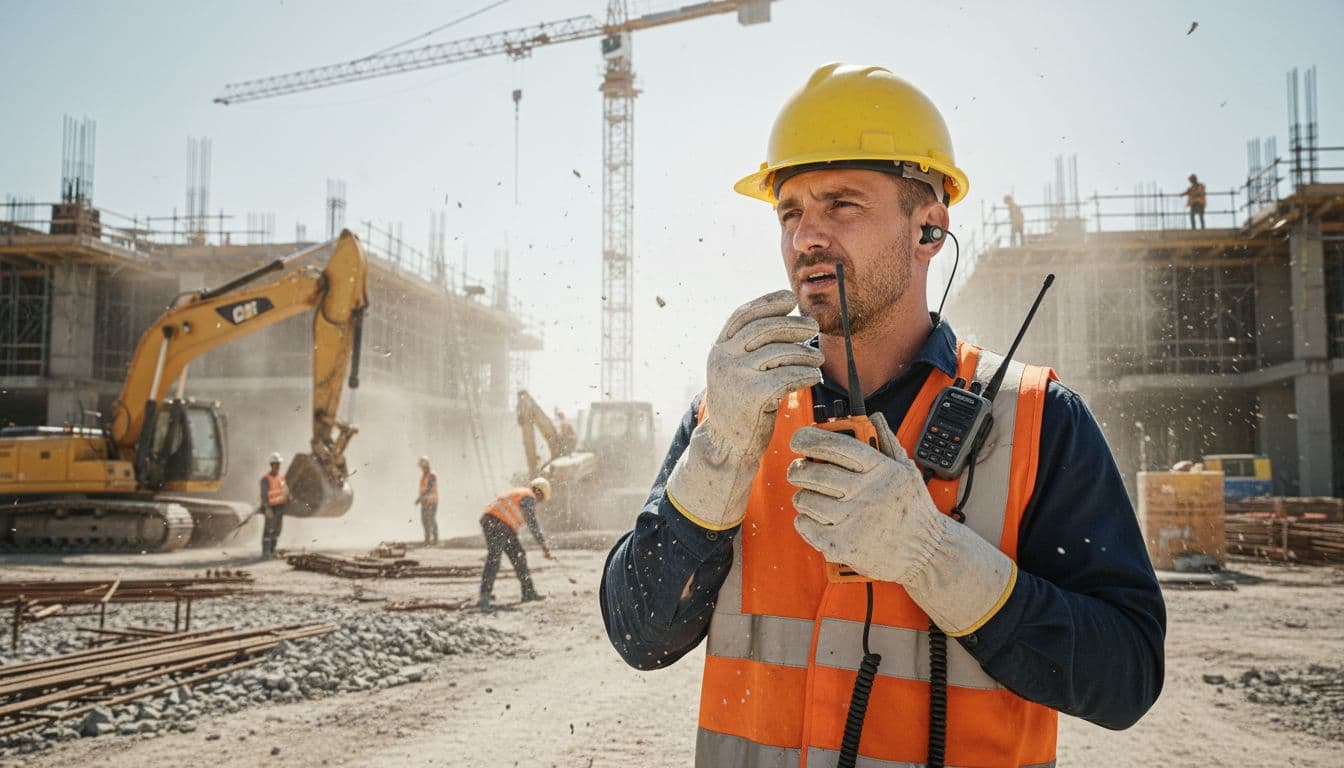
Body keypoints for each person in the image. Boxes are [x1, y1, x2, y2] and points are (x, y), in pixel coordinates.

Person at [599, 63, 1165, 767]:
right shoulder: (734, 412)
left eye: (842, 205)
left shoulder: (1036, 419)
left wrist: (933, 558)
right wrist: (719, 453)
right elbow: (639, 634)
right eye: (790, 212)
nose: (807, 237)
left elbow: (1127, 677)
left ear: (929, 229)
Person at [476, 477, 554, 608]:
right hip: (498, 524)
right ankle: (484, 596)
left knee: (518, 555)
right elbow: (531, 522)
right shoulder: (529, 497)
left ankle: (528, 592)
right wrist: (543, 545)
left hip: (496, 524)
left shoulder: (521, 493)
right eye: (541, 499)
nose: (539, 503)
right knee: (495, 557)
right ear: (540, 492)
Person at [259, 452, 289, 558]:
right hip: (271, 508)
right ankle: (266, 552)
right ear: (271, 465)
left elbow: (285, 491)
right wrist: (267, 508)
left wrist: (288, 496)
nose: (278, 466)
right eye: (276, 464)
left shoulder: (281, 478)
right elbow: (264, 495)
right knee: (269, 530)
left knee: (277, 530)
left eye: (279, 464)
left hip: (280, 508)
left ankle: (272, 550)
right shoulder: (265, 479)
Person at [414, 456, 439, 545]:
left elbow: (429, 488)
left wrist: (419, 498)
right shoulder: (424, 475)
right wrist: (421, 499)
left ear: (425, 466)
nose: (421, 468)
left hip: (432, 501)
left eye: (422, 467)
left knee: (431, 519)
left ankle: (435, 540)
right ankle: (427, 539)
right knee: (424, 520)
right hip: (425, 501)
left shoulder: (432, 475)